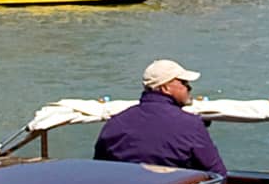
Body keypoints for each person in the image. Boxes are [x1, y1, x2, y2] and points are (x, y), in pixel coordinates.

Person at [93, 58, 226, 173]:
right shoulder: (190, 124)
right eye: (184, 83)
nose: (189, 88)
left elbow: (100, 169)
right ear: (166, 88)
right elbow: (217, 173)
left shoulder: (116, 123)